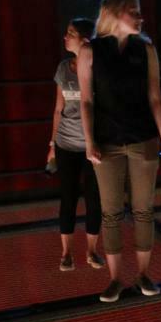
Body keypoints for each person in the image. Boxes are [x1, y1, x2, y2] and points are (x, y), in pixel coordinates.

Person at [77, 0, 161, 303]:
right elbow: (86, 101)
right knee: (111, 212)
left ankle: (144, 273)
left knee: (144, 210)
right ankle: (115, 278)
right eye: (134, 11)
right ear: (115, 14)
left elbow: (155, 96)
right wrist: (89, 142)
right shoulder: (90, 51)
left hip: (142, 136)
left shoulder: (145, 50)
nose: (140, 17)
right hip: (107, 141)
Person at [48, 18, 104, 271]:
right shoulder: (63, 69)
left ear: (84, 39)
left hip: (92, 145)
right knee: (68, 197)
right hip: (66, 144)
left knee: (94, 199)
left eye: (70, 33)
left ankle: (92, 251)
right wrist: (51, 144)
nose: (65, 37)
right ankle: (66, 252)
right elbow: (58, 109)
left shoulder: (97, 67)